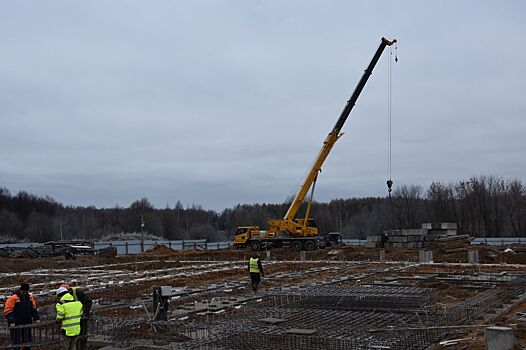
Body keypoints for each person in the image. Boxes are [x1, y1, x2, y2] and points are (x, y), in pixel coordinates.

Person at [3, 283, 40, 350]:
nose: (25, 293)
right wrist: (11, 320)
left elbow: (33, 309)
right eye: (23, 291)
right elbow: (8, 310)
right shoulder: (13, 298)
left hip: (27, 322)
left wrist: (36, 317)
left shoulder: (30, 297)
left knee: (27, 340)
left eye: (26, 291)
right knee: (16, 341)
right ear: (21, 290)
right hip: (16, 324)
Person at [59, 284, 92, 350]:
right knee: (75, 335)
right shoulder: (66, 296)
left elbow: (88, 302)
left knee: (82, 334)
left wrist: (84, 313)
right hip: (75, 318)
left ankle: (82, 347)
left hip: (82, 318)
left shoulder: (77, 293)